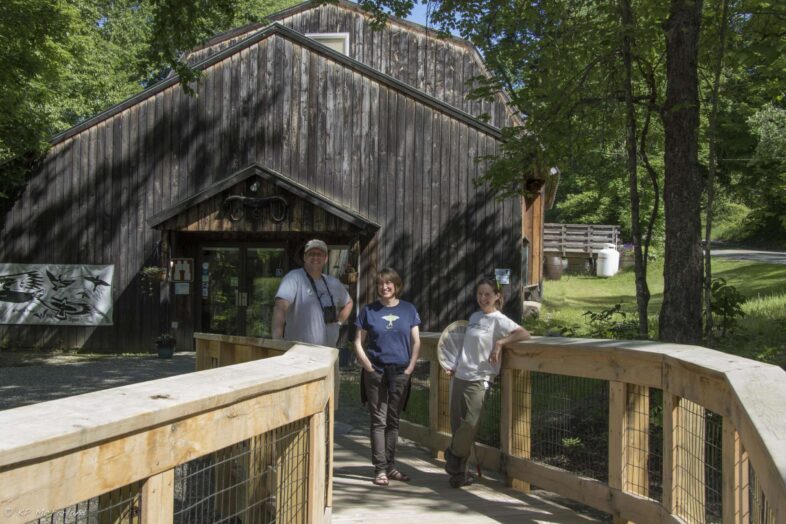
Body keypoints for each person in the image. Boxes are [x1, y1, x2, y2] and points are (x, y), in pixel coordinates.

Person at [444, 278, 530, 488]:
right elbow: (466, 346)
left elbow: (523, 333)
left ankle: (452, 454)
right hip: (460, 375)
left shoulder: (499, 320)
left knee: (470, 424)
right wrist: (454, 364)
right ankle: (459, 475)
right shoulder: (474, 317)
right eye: (479, 294)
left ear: (497, 297)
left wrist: (500, 343)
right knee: (458, 426)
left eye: (487, 294)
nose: (482, 298)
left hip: (480, 378)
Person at [354, 267, 421, 487]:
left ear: (396, 285)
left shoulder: (409, 310)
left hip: (400, 372)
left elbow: (415, 341)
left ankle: (391, 466)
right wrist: (369, 368)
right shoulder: (368, 311)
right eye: (381, 284)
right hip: (376, 372)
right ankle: (380, 469)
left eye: (389, 283)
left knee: (393, 421)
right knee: (378, 421)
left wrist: (411, 367)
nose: (385, 287)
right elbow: (357, 342)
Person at [272, 239, 353, 346]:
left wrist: (339, 323)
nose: (315, 257)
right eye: (311, 254)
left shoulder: (333, 283)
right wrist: (277, 341)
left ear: (326, 258)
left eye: (319, 254)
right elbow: (280, 307)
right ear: (305, 257)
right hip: (299, 354)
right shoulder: (294, 278)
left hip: (328, 354)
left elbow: (349, 303)